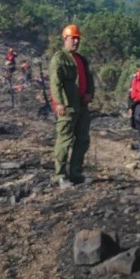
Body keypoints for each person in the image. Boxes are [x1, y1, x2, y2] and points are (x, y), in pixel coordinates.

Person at [49, 24, 94, 188]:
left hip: (82, 107)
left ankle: (76, 173)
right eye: (72, 38)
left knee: (82, 140)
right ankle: (61, 176)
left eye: (77, 38)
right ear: (65, 39)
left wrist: (90, 94)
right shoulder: (59, 58)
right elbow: (55, 82)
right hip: (67, 108)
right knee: (64, 141)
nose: (75, 41)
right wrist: (59, 102)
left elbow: (89, 80)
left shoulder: (81, 59)